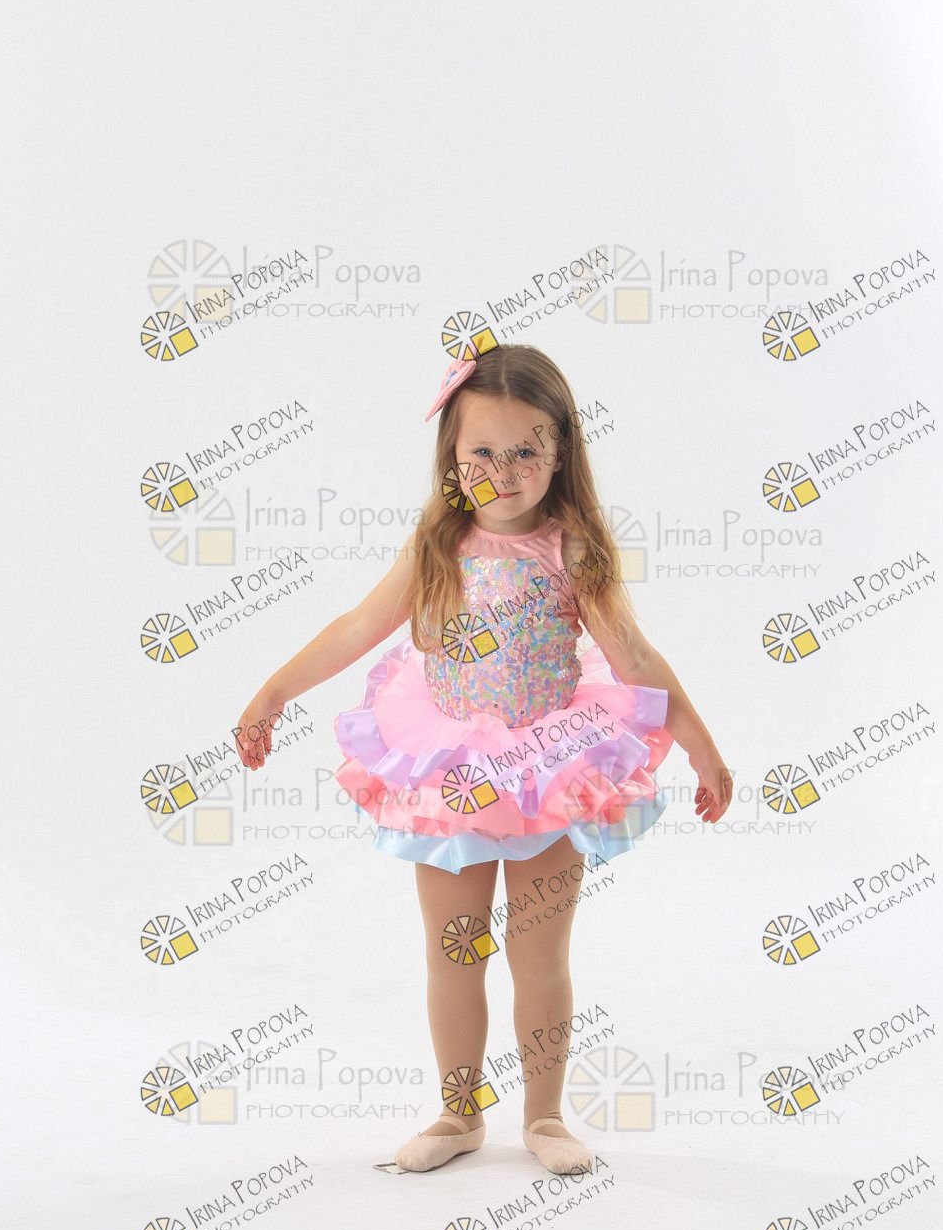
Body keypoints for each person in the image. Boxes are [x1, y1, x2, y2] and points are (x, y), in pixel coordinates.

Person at [235, 342, 733, 1177]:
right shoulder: (438, 545)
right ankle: (458, 1112)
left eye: (526, 451)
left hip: (548, 769)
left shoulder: (572, 548)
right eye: (483, 453)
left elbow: (636, 659)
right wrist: (272, 693)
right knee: (455, 949)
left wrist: (703, 746)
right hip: (453, 775)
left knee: (539, 958)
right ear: (452, 455)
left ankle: (544, 1116)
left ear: (561, 451)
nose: (504, 473)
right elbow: (357, 628)